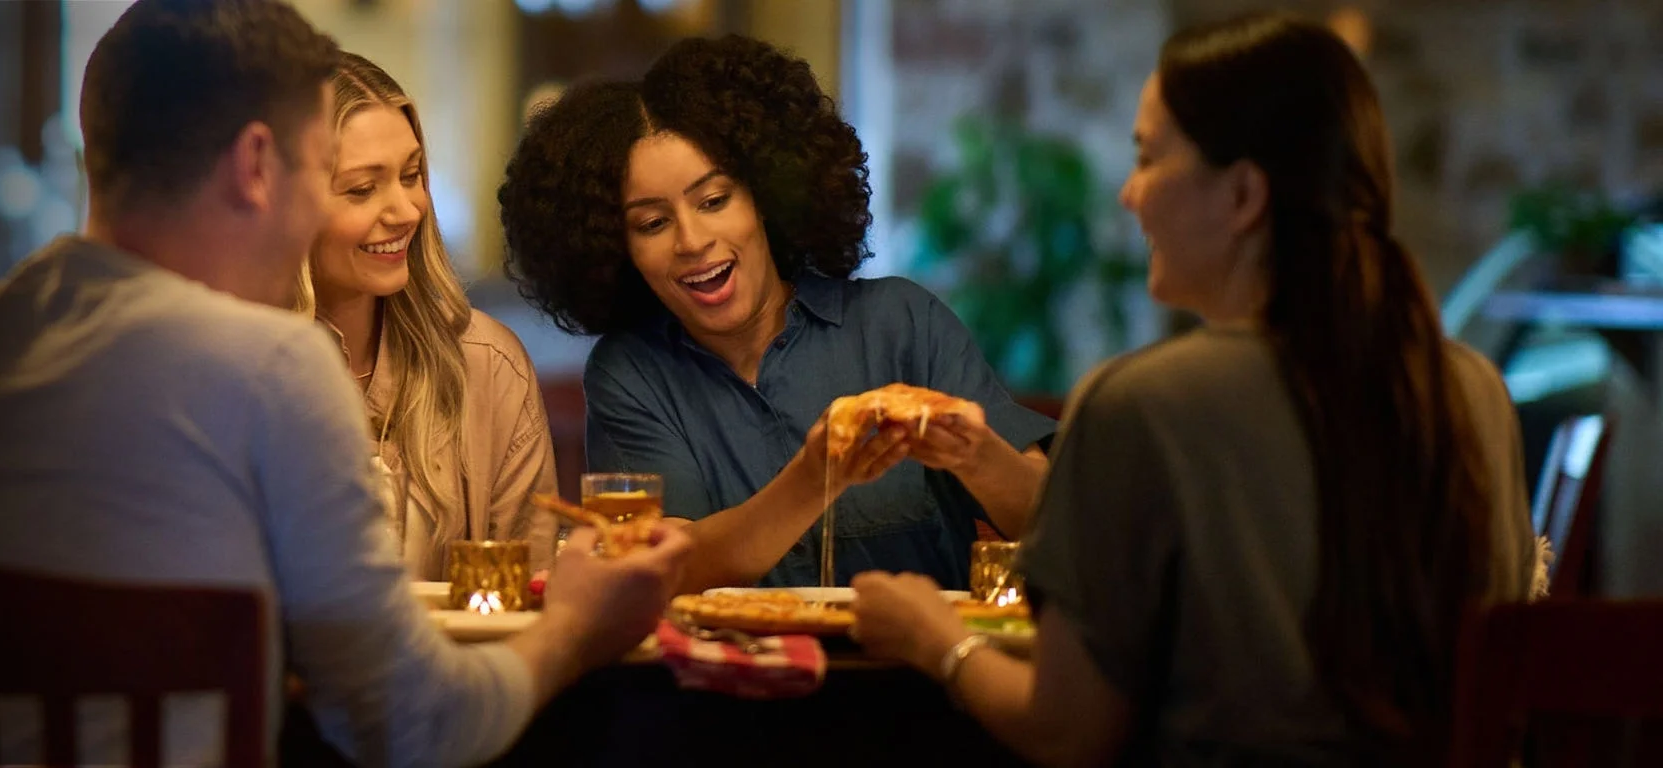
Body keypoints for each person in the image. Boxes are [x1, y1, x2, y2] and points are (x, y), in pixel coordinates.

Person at [0, 1, 690, 765]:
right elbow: (411, 725)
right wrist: (580, 624)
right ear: (258, 163)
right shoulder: (271, 367)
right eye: (321, 172)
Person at [849, 13, 1540, 767]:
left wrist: (932, 637)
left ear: (1243, 195)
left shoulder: (1142, 402)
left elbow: (1067, 731)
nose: (1129, 194)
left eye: (1148, 158)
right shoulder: (1474, 391)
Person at [498, 35, 1056, 593]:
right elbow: (667, 567)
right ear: (617, 248)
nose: (692, 241)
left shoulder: (901, 322)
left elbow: (1053, 530)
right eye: (652, 223)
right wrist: (814, 477)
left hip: (917, 672)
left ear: (763, 196)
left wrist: (978, 455)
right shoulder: (632, 374)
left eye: (714, 201)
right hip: (724, 677)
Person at [294, 52, 558, 578]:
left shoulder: (487, 366)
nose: (407, 210)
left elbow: (531, 599)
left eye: (411, 175)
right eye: (363, 189)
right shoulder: (222, 372)